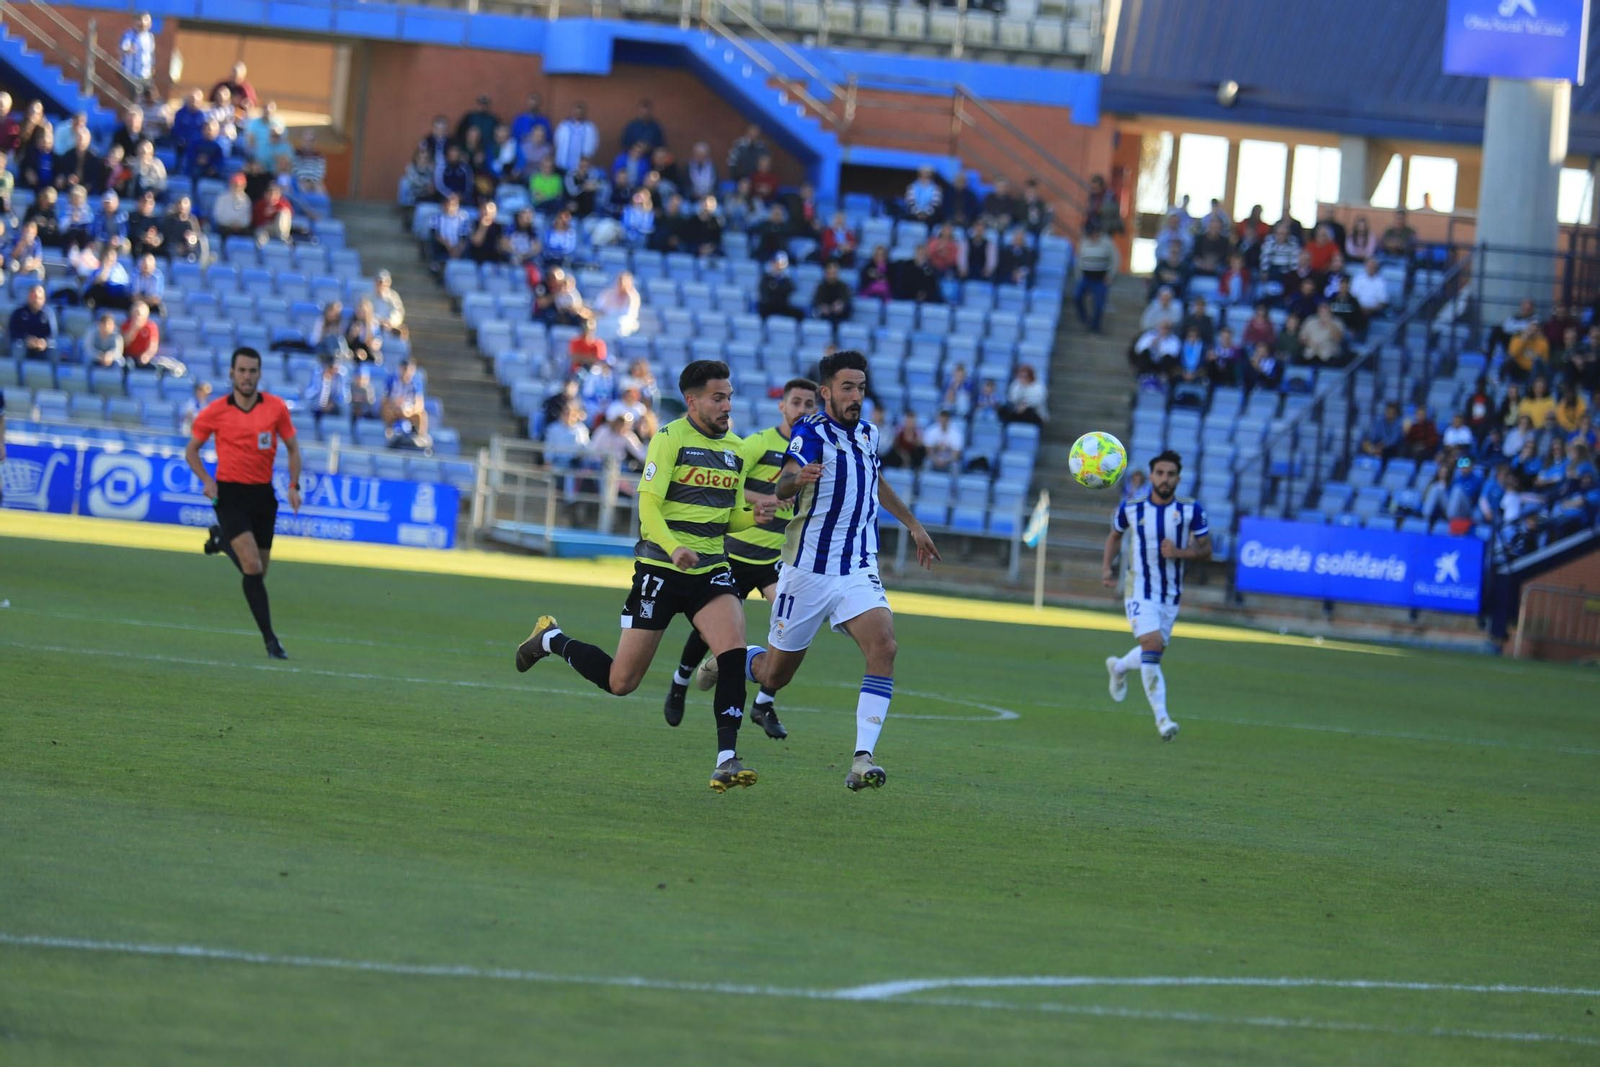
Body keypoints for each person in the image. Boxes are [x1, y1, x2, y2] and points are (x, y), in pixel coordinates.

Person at [514, 360, 778, 792]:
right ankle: (551, 639)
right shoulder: (670, 439)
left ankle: (726, 760)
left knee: (732, 653)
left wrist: (754, 516)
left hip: (711, 570)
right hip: (661, 570)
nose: (727, 405)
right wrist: (674, 549)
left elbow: (728, 517)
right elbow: (649, 509)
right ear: (692, 401)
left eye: (729, 397)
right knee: (621, 682)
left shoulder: (734, 448)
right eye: (717, 398)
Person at [692, 350, 940, 792]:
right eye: (847, 388)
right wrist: (797, 479)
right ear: (826, 392)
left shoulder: (869, 434)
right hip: (807, 570)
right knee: (774, 675)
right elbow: (784, 481)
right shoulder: (810, 432)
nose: (856, 396)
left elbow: (875, 481)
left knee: (884, 646)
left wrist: (913, 525)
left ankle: (862, 759)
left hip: (857, 567)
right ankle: (733, 659)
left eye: (861, 388)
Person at [662, 378, 819, 736]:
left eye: (809, 404)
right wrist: (763, 499)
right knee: (708, 628)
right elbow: (727, 480)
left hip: (776, 560)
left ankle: (764, 703)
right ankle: (680, 681)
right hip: (736, 552)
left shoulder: (814, 449)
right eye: (796, 402)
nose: (802, 410)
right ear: (782, 406)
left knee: (792, 621)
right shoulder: (759, 443)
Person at [188, 348, 301, 659]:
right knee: (251, 566)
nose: (247, 376)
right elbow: (191, 450)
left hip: (263, 496)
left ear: (259, 374)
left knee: (258, 574)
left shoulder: (276, 408)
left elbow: (293, 448)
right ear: (232, 374)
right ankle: (271, 641)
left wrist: (294, 486)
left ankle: (223, 543)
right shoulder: (215, 411)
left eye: (252, 371)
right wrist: (207, 480)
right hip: (229, 494)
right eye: (242, 371)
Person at [1101, 451, 1210, 742]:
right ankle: (1163, 719)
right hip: (1139, 589)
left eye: (1171, 474)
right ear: (1151, 476)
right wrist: (1107, 569)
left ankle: (1119, 667)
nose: (1165, 479)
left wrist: (1180, 552)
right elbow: (1114, 536)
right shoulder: (1132, 508)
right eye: (1160, 473)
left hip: (1170, 594)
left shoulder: (1191, 510)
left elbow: (1206, 550)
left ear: (1178, 479)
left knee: (1154, 651)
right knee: (1151, 647)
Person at [382, 359, 430, 446]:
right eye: (405, 369)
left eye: (410, 370)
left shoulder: (416, 383)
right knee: (386, 410)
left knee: (422, 415)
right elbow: (385, 400)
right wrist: (395, 406)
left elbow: (420, 404)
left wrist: (409, 411)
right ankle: (388, 431)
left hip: (409, 411)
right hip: (394, 410)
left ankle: (421, 437)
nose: (407, 372)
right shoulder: (392, 381)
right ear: (400, 369)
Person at [757, 253, 801, 320]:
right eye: (776, 264)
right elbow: (764, 292)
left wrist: (776, 287)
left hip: (782, 306)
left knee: (799, 314)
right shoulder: (766, 278)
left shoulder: (786, 280)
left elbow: (790, 289)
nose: (778, 267)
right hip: (769, 305)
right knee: (762, 311)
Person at [810, 260, 852, 329]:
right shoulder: (821, 287)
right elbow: (816, 302)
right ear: (825, 273)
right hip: (824, 317)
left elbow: (846, 300)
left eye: (834, 273)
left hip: (839, 318)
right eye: (830, 273)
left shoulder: (843, 286)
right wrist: (821, 307)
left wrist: (841, 304)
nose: (832, 275)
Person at [119, 12, 156, 89]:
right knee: (135, 94)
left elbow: (151, 53)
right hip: (131, 75)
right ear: (135, 22)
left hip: (146, 75)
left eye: (145, 20)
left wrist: (152, 67)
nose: (142, 23)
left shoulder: (150, 37)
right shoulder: (129, 35)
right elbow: (124, 47)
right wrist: (128, 49)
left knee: (146, 94)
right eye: (139, 20)